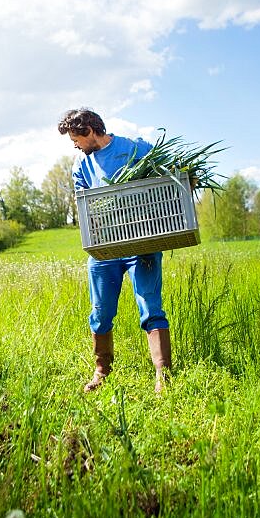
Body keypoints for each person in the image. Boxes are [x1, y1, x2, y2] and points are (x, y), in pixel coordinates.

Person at [57, 108, 172, 394]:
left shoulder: (134, 148)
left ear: (89, 131)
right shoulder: (81, 165)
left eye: (76, 138)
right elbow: (84, 204)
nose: (75, 145)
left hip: (141, 243)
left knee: (150, 307)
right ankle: (101, 372)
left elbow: (169, 171)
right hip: (105, 249)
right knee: (101, 311)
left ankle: (163, 375)